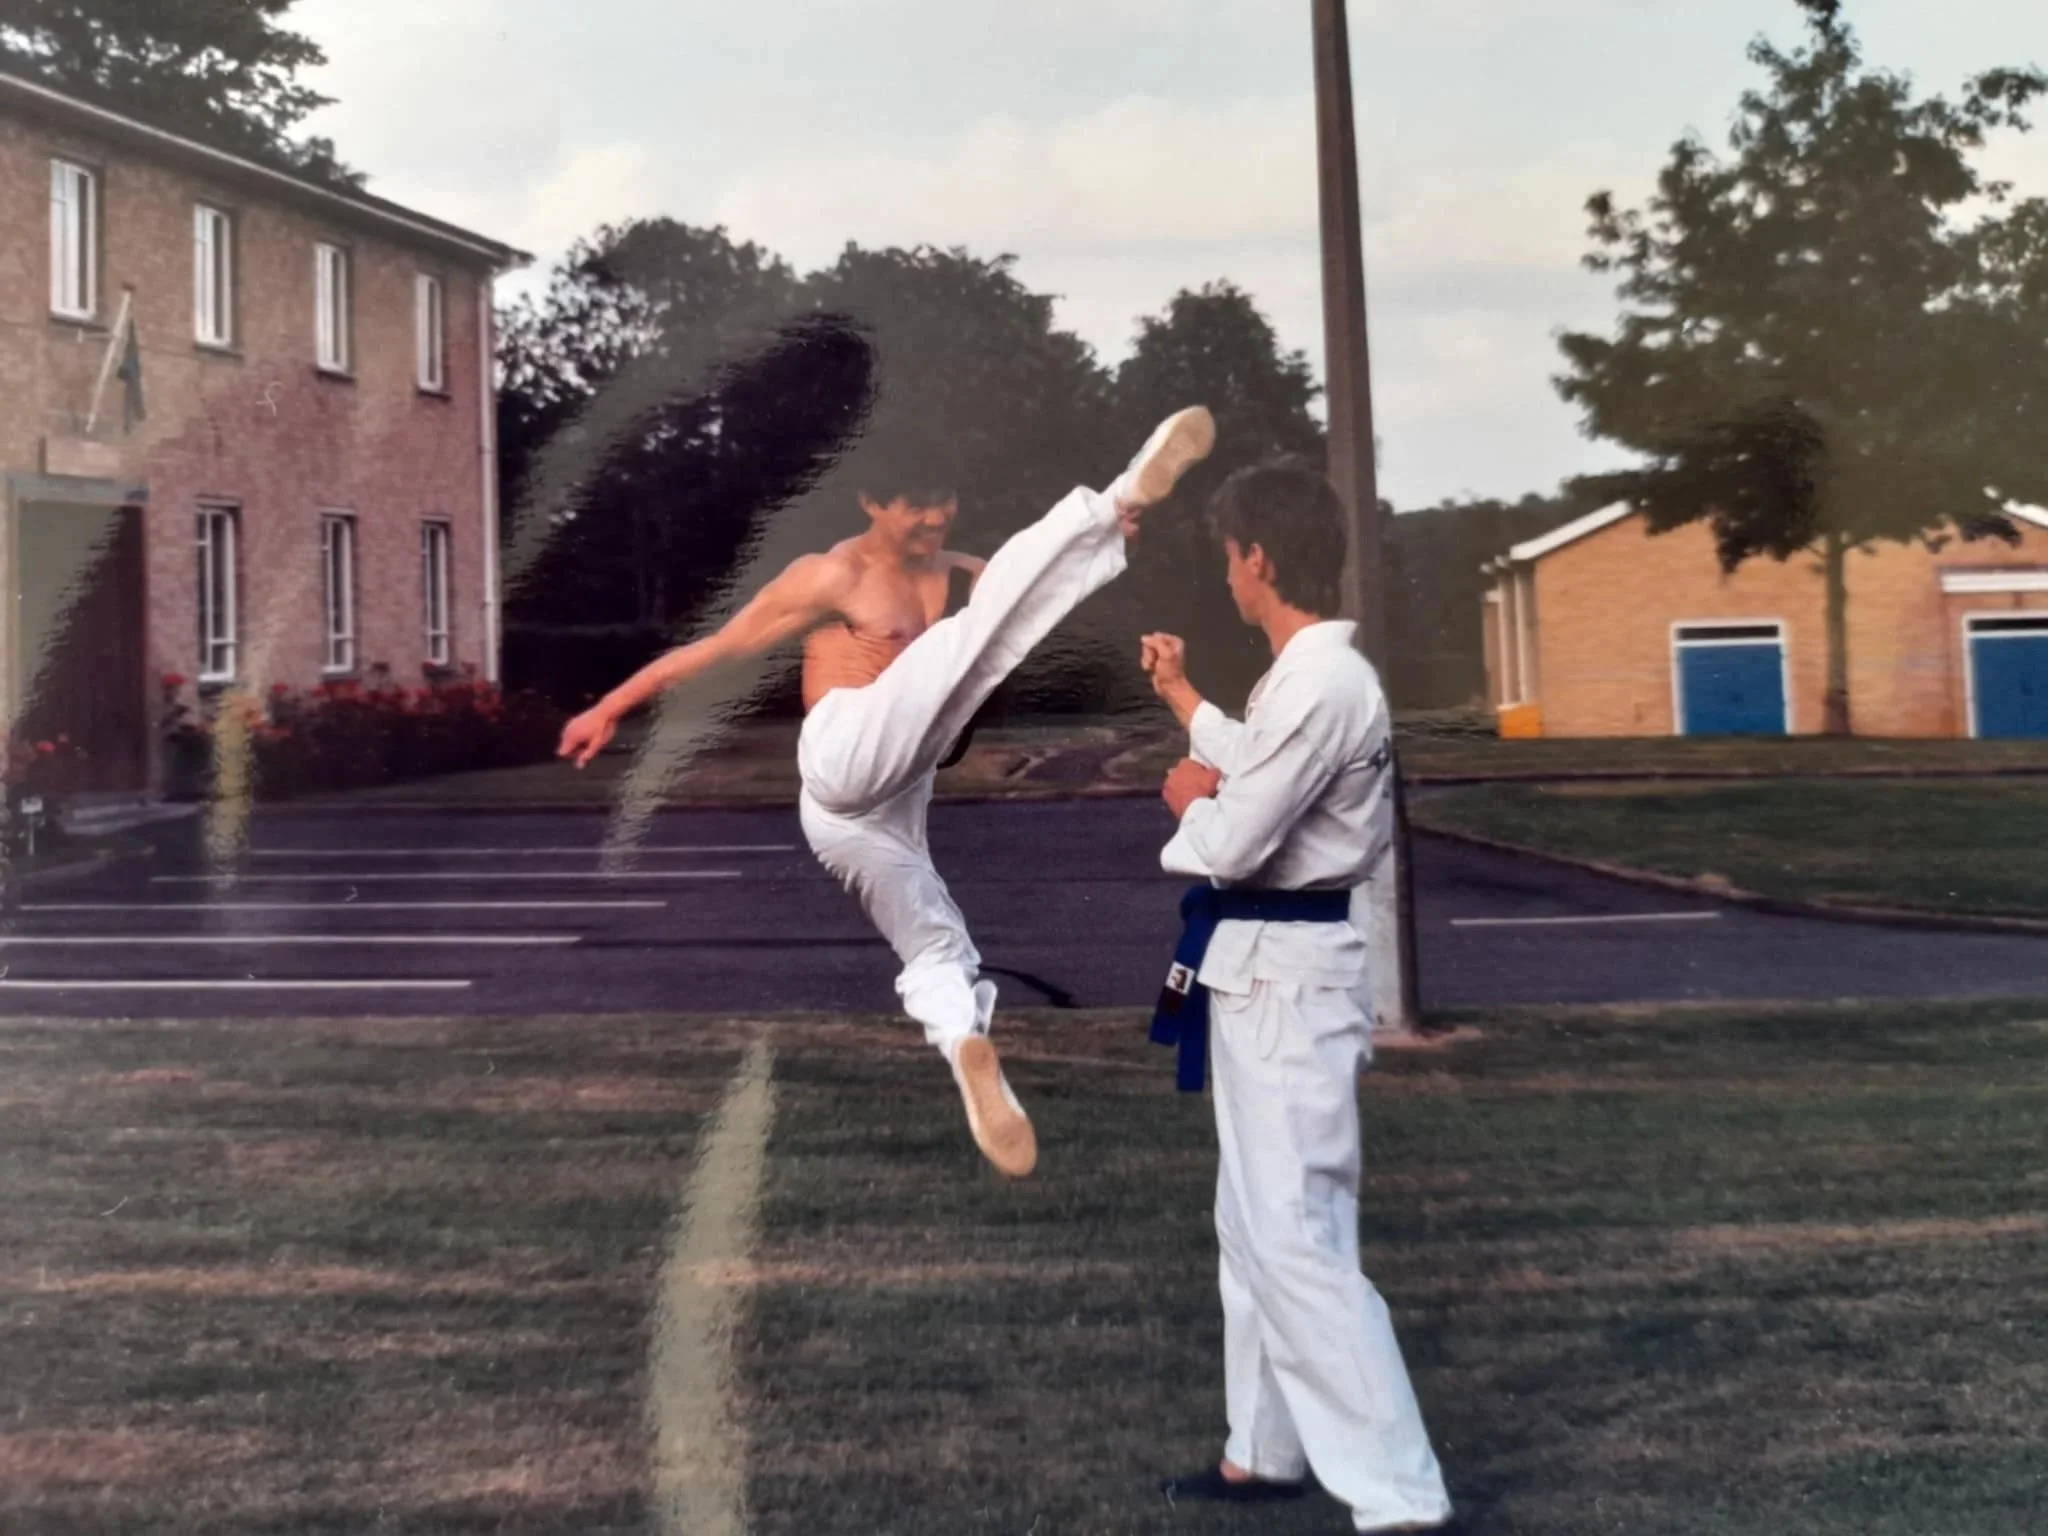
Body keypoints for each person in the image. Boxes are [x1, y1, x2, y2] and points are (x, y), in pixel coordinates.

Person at [557, 407, 1217, 1179]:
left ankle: (967, 1046)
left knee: (939, 943)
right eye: (916, 506)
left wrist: (1100, 549)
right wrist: (610, 706)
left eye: (945, 502)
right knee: (976, 637)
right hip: (840, 754)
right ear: (872, 503)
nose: (935, 519)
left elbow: (1022, 596)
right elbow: (719, 649)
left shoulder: (959, 567)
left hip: (886, 804)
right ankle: (1113, 494)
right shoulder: (831, 575)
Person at [1138, 456, 1456, 1534]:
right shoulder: (1306, 679)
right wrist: (1185, 702)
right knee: (1253, 1223)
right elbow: (1262, 767)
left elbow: (1233, 833)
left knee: (1297, 1237)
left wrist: (1188, 798)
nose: (1226, 576)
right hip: (1263, 973)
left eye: (1229, 556)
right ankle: (1262, 1453)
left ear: (1257, 558)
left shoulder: (1323, 681)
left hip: (1287, 974)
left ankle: (1399, 1499)